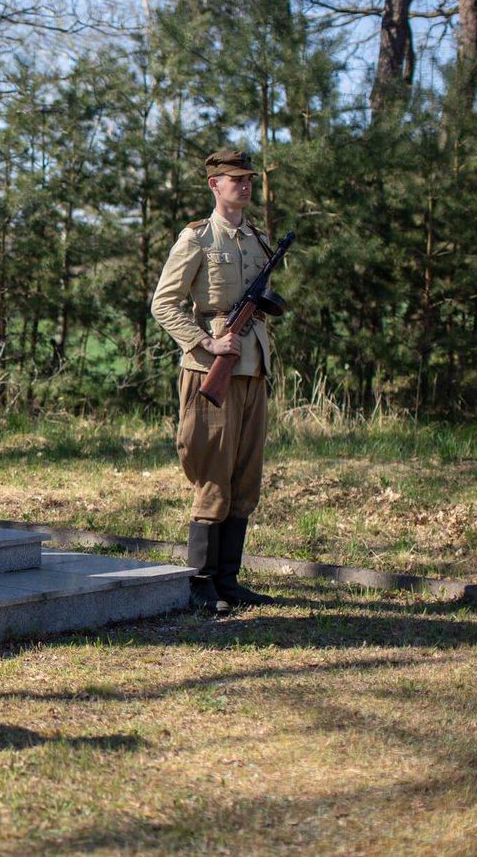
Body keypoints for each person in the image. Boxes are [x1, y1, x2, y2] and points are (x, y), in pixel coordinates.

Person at [150, 149, 280, 614]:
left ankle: (229, 580)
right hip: (211, 373)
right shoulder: (197, 238)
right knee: (213, 475)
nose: (245, 186)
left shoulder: (259, 240)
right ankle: (200, 581)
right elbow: (164, 304)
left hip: (253, 369)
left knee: (245, 478)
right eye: (235, 179)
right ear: (214, 185)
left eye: (249, 179)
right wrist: (206, 342)